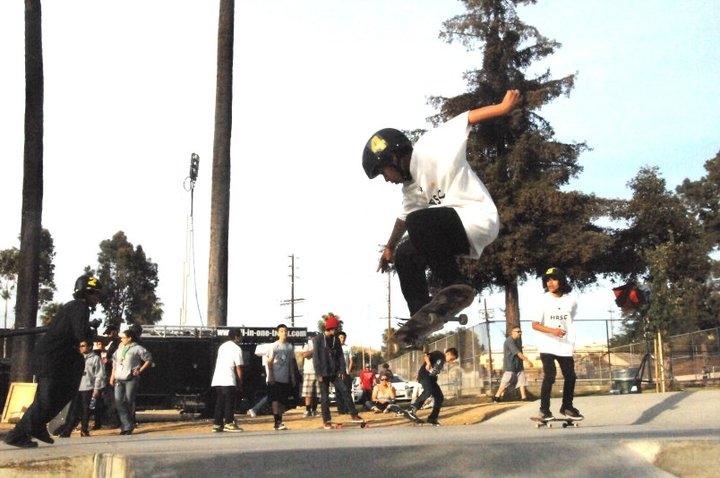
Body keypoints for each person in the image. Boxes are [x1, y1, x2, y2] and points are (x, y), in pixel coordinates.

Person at [363, 90, 520, 316]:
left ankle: (455, 284)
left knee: (419, 221)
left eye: (384, 173)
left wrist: (502, 108)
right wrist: (390, 247)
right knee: (405, 253)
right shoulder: (410, 188)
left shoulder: (430, 146)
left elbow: (467, 119)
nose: (387, 179)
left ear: (394, 158)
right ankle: (422, 313)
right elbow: (403, 218)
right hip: (456, 232)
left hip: (478, 217)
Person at [4, 275, 102, 448]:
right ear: (87, 293)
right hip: (52, 360)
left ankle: (37, 426)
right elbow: (80, 335)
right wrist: (90, 332)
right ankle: (17, 434)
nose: (98, 298)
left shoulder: (74, 307)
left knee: (61, 394)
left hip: (56, 360)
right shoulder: (80, 307)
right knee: (47, 400)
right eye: (96, 294)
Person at [531, 267, 582, 421]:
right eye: (547, 280)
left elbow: (569, 319)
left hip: (565, 345)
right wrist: (553, 331)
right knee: (550, 375)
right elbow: (535, 324)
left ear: (561, 280)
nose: (550, 283)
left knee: (571, 376)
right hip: (547, 344)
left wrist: (562, 333)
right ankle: (544, 410)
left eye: (553, 279)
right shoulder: (542, 300)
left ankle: (567, 406)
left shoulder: (571, 300)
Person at [312, 314, 363, 429]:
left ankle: (354, 414)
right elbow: (316, 357)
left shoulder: (336, 340)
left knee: (345, 390)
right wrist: (318, 373)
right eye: (336, 328)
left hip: (334, 372)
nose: (337, 331)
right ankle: (327, 421)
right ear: (330, 328)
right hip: (323, 372)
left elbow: (340, 356)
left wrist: (341, 370)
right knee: (325, 397)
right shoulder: (318, 339)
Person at [52, 340, 106, 437]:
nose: (81, 347)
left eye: (83, 346)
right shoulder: (77, 358)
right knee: (73, 410)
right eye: (80, 346)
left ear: (89, 347)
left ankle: (84, 430)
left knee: (86, 410)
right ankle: (67, 430)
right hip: (76, 387)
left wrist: (96, 388)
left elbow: (99, 374)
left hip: (88, 387)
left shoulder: (95, 358)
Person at [110, 328, 153, 435]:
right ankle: (126, 425)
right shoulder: (119, 349)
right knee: (119, 402)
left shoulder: (137, 348)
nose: (121, 340)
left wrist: (140, 369)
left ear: (129, 338)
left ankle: (127, 426)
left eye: (123, 338)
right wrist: (112, 376)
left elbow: (148, 359)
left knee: (128, 401)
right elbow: (115, 363)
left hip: (131, 378)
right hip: (119, 378)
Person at [405, 348, 459, 426]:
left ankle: (432, 418)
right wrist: (428, 363)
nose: (451, 361)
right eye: (451, 359)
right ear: (448, 354)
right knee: (428, 391)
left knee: (439, 397)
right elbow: (426, 356)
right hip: (425, 376)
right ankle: (412, 409)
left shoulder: (442, 362)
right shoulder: (438, 354)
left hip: (432, 379)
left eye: (452, 360)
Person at [210, 329, 244, 433]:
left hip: (218, 379)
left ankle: (217, 424)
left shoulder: (222, 347)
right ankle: (229, 423)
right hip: (229, 379)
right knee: (229, 402)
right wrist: (240, 381)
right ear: (237, 337)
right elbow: (239, 367)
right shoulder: (237, 348)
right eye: (240, 336)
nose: (241, 338)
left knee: (220, 402)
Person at [266, 324, 297, 430]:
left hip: (285, 377)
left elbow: (291, 363)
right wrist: (271, 376)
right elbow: (269, 361)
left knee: (283, 401)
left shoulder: (289, 347)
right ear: (278, 333)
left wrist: (292, 377)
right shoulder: (274, 346)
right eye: (282, 331)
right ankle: (277, 421)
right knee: (275, 400)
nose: (284, 333)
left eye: (285, 331)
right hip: (275, 377)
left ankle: (280, 420)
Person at [493, 326, 533, 402]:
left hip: (518, 366)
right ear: (512, 332)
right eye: (518, 332)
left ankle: (524, 398)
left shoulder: (517, 341)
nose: (520, 333)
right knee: (505, 383)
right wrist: (527, 361)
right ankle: (496, 397)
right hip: (510, 366)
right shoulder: (509, 341)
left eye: (520, 332)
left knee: (522, 381)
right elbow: (518, 353)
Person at [97, 325, 120, 429]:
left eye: (110, 333)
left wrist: (109, 361)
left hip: (112, 373)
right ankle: (105, 420)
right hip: (105, 373)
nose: (108, 335)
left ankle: (114, 421)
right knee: (105, 398)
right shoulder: (109, 344)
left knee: (111, 399)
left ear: (115, 332)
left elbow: (118, 359)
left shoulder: (118, 343)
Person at [300, 334, 319, 418]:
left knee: (317, 393)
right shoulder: (307, 344)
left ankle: (314, 410)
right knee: (308, 392)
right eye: (312, 337)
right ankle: (307, 410)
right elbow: (304, 355)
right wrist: (314, 350)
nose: (314, 338)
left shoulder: (320, 344)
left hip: (319, 371)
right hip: (309, 371)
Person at [336, 331, 354, 414]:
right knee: (338, 391)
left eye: (343, 337)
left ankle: (348, 409)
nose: (342, 339)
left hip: (346, 373)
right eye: (340, 337)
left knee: (347, 391)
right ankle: (341, 410)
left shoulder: (348, 348)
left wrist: (348, 372)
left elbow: (351, 361)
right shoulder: (334, 347)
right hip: (337, 373)